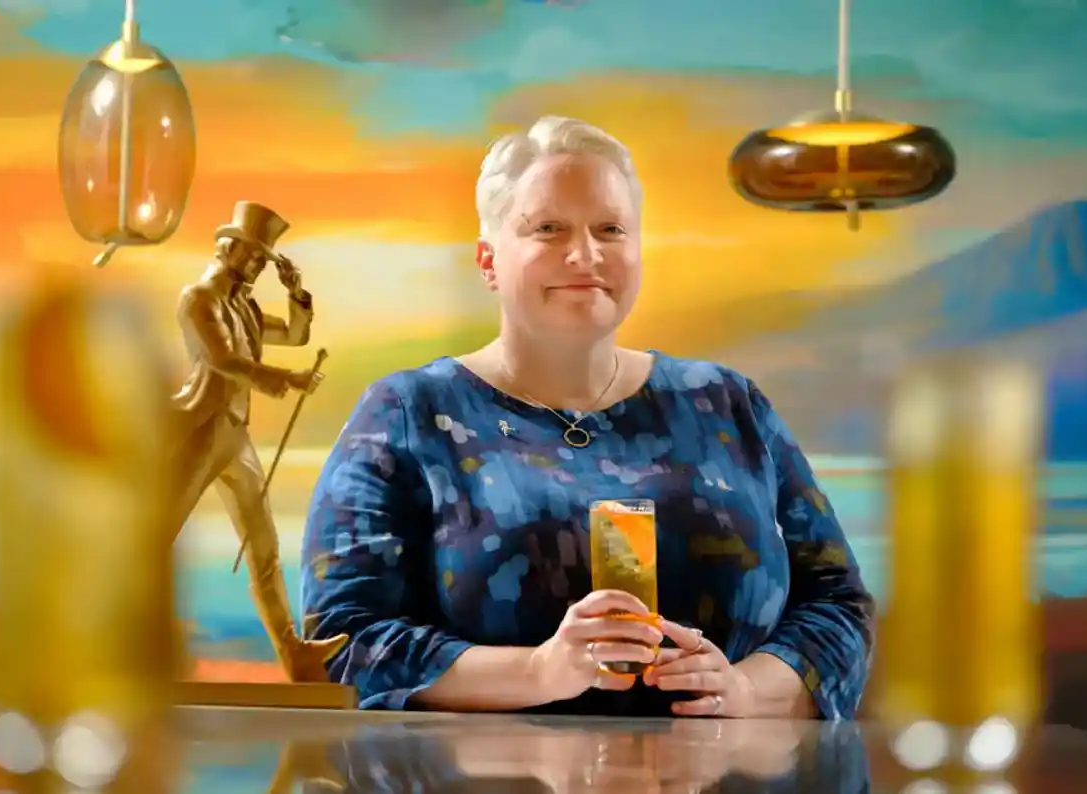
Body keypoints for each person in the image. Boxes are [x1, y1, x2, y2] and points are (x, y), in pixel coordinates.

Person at [299, 117, 875, 717]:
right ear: (489, 260)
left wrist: (748, 690)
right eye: (548, 228)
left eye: (610, 229)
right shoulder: (406, 414)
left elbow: (839, 606)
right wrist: (538, 671)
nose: (585, 254)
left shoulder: (728, 402)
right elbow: (341, 637)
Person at [168, 200, 345, 682]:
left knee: (264, 548)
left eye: (263, 260)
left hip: (234, 437)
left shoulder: (243, 305)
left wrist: (296, 292)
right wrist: (285, 379)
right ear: (227, 245)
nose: (256, 266)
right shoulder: (198, 299)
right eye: (251, 255)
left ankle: (294, 653)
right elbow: (224, 359)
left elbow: (295, 334)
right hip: (201, 432)